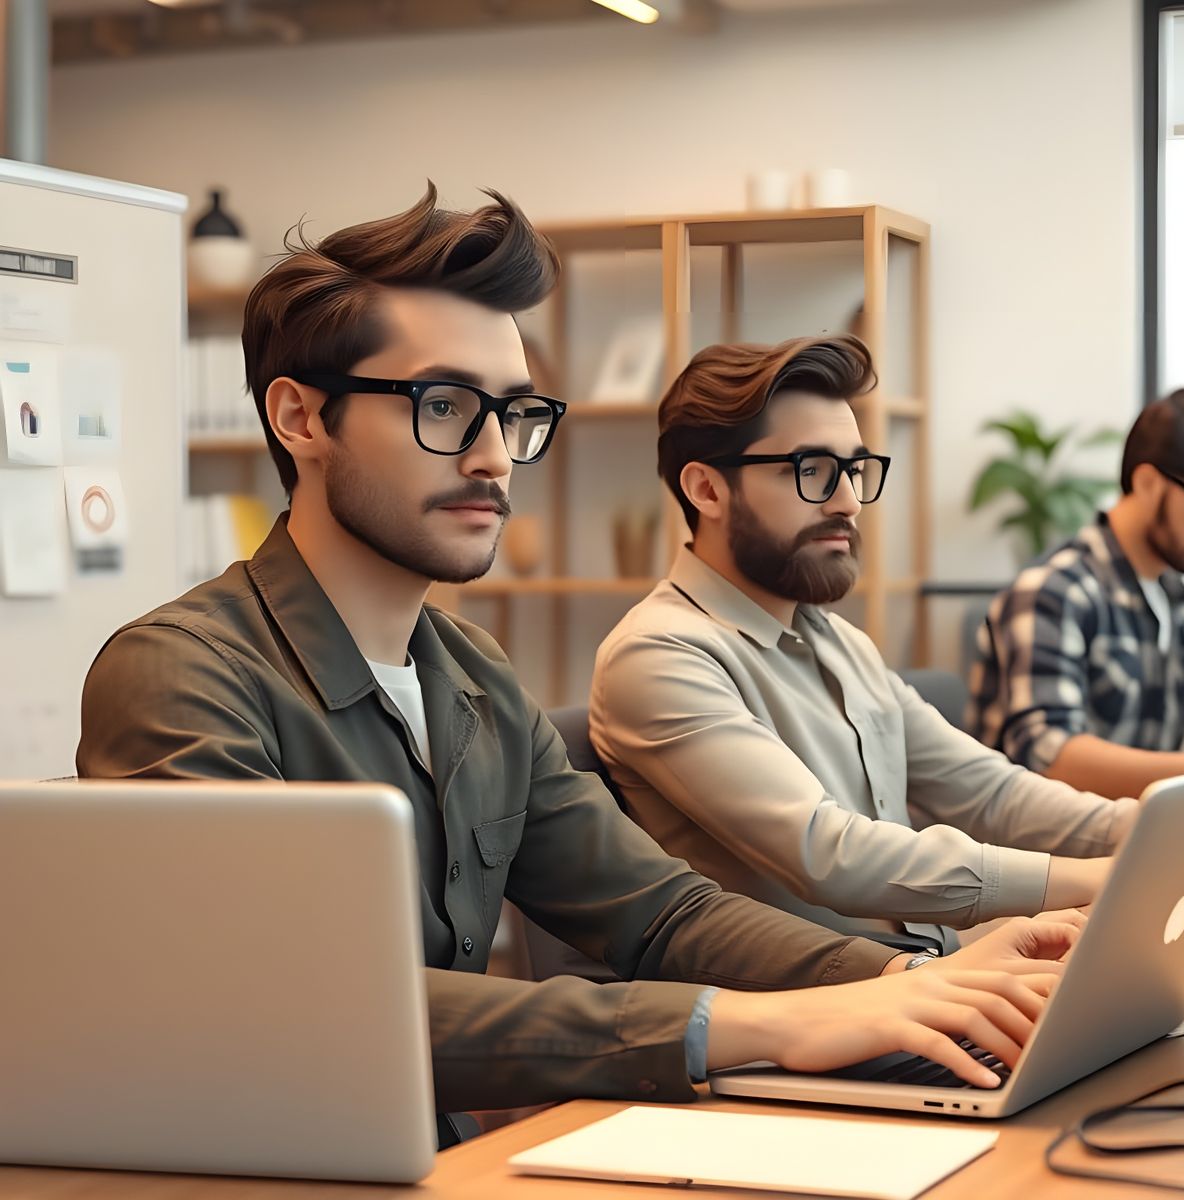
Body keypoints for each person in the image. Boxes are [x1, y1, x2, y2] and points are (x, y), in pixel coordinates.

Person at [75, 188, 1083, 1144]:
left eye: (512, 414)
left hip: (431, 1157)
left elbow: (660, 910)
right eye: (443, 405)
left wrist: (903, 983)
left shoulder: (470, 672)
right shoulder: (179, 677)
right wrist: (760, 1025)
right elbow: (302, 1003)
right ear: (301, 419)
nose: (493, 456)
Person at [590, 334, 1134, 957]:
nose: (849, 501)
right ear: (707, 490)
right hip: (812, 1005)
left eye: (853, 470)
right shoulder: (659, 655)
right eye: (813, 470)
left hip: (934, 971)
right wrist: (1098, 879)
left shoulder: (839, 641)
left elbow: (991, 793)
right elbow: (829, 854)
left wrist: (1150, 829)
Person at [970, 388, 1184, 840]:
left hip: (1131, 847)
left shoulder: (1172, 600)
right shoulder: (1052, 592)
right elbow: (1053, 757)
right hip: (1040, 860)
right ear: (1149, 482)